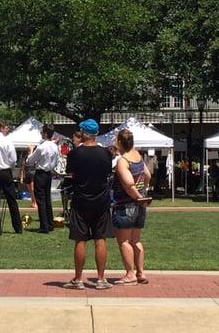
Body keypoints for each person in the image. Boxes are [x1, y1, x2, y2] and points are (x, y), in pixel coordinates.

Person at [63, 119, 113, 290]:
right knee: (100, 239)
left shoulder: (75, 154)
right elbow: (107, 174)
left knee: (80, 240)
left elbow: (71, 173)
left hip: (81, 200)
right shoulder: (106, 153)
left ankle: (78, 279)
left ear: (83, 133)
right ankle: (100, 279)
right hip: (101, 200)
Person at [112, 129, 152, 285]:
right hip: (140, 205)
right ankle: (141, 272)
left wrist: (137, 195)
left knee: (124, 241)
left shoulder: (123, 160)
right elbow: (147, 175)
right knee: (136, 240)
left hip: (125, 204)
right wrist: (143, 192)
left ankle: (130, 274)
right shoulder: (138, 157)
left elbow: (128, 184)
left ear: (121, 142)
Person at [26, 124, 59, 233]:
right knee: (47, 199)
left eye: (42, 131)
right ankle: (50, 224)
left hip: (40, 174)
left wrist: (30, 151)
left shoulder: (41, 147)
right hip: (49, 174)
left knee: (40, 200)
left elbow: (29, 161)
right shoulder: (55, 146)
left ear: (45, 133)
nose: (40, 133)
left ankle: (44, 226)